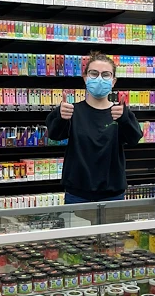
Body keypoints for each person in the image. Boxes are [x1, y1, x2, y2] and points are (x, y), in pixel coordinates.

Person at [46, 51, 143, 203]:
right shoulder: (71, 111)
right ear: (85, 78)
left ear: (113, 81)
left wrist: (124, 119)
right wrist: (60, 116)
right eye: (94, 73)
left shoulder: (120, 113)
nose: (99, 79)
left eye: (106, 75)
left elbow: (134, 139)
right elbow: (54, 135)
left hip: (113, 195)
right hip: (77, 194)